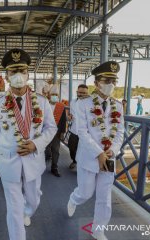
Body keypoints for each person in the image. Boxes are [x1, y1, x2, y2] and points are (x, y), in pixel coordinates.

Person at [0, 48, 57, 240]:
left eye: (22, 71)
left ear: (28, 74)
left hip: (33, 160)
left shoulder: (41, 102)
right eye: (13, 72)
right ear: (7, 76)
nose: (18, 75)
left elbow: (51, 128)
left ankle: (29, 211)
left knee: (34, 200)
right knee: (13, 208)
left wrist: (36, 144)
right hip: (7, 161)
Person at [67, 61, 124, 240]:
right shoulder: (83, 104)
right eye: (106, 80)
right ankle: (74, 198)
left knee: (104, 198)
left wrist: (113, 150)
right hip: (89, 156)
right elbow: (82, 131)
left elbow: (120, 131)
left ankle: (98, 230)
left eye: (113, 81)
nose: (111, 85)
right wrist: (98, 153)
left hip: (109, 157)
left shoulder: (118, 105)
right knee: (85, 192)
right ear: (97, 83)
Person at [45, 84, 66, 177]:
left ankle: (54, 167)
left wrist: (62, 132)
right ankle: (41, 165)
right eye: (53, 94)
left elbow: (63, 120)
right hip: (45, 132)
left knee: (56, 150)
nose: (55, 96)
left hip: (56, 133)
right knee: (45, 149)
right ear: (49, 95)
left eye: (56, 95)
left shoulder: (61, 106)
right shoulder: (44, 104)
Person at [67, 84, 89, 169]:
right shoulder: (73, 102)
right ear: (77, 92)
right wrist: (69, 116)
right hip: (74, 130)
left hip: (86, 132)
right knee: (71, 147)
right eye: (80, 92)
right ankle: (74, 161)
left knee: (85, 150)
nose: (82, 94)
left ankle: (82, 165)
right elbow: (71, 113)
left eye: (84, 93)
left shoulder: (91, 103)